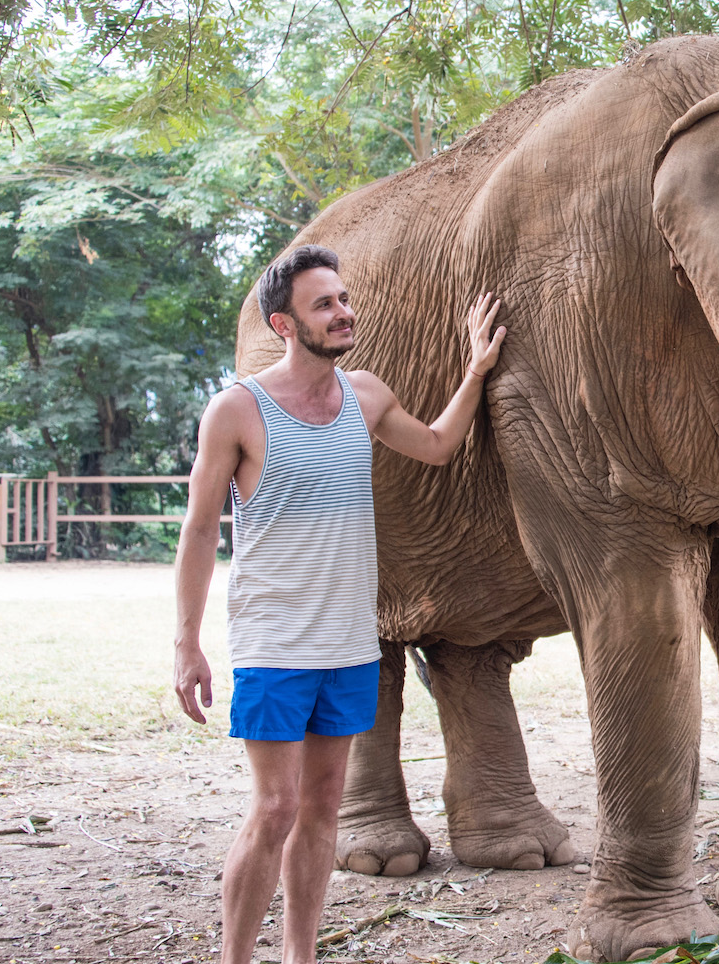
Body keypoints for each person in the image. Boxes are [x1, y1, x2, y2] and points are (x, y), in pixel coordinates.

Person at [172, 243, 505, 964]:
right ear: (284, 324)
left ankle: (301, 956)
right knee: (275, 808)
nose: (343, 311)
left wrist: (476, 369)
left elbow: (441, 445)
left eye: (344, 299)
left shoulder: (366, 395)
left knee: (323, 810)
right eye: (324, 304)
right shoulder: (237, 409)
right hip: (273, 645)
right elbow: (199, 529)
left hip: (351, 644)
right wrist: (187, 641)